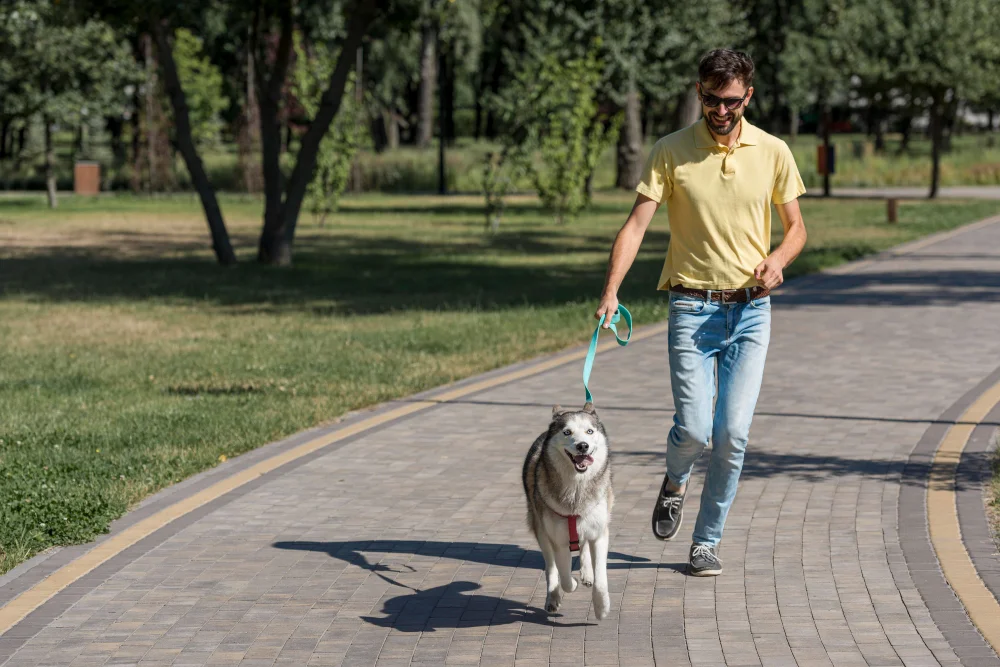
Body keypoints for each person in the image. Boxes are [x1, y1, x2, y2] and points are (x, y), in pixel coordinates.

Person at [594, 48, 807, 576]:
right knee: (693, 430)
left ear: (748, 96)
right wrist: (611, 292)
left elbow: (797, 228)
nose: (720, 110)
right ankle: (675, 480)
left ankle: (706, 541)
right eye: (711, 99)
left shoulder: (773, 151)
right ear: (699, 93)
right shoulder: (671, 151)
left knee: (732, 434)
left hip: (752, 312)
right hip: (691, 307)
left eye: (731, 100)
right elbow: (637, 225)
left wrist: (778, 260)